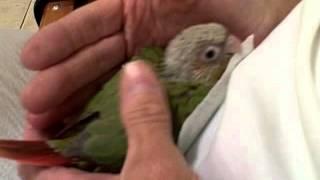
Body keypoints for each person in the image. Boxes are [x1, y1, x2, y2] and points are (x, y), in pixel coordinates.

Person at [1, 0, 319, 179]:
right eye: (210, 55)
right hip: (90, 142)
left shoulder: (173, 76)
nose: (231, 47)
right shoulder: (176, 83)